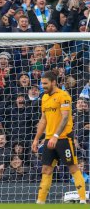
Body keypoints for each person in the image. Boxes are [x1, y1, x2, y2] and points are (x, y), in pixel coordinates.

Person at [32, 71, 86, 204]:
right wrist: (36, 138)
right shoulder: (44, 98)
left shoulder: (64, 96)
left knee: (73, 167)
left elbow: (65, 117)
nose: (43, 86)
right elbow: (43, 120)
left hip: (63, 139)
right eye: (41, 83)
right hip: (49, 139)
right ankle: (40, 202)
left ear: (54, 82)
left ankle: (83, 201)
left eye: (45, 83)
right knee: (46, 169)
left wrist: (56, 136)